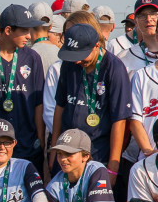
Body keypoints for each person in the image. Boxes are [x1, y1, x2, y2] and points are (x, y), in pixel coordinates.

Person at [0, 4, 48, 174]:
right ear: (7, 30)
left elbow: (38, 103)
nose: (29, 36)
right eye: (24, 31)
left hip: (26, 144)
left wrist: (40, 140)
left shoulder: (32, 58)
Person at [52, 23, 130, 177]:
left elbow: (119, 120)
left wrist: (113, 166)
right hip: (66, 154)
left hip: (98, 154)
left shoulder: (114, 68)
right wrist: (53, 154)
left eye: (81, 56)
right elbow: (60, 107)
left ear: (96, 46)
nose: (77, 61)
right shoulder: (69, 64)